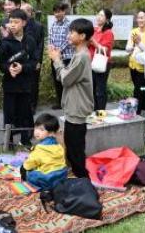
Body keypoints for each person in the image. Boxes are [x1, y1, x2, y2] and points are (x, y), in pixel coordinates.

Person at [48, 18, 94, 178]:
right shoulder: (79, 54)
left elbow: (66, 79)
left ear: (82, 36)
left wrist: (56, 60)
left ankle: (83, 180)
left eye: (72, 32)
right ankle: (79, 176)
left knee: (75, 149)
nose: (69, 35)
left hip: (77, 108)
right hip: (74, 107)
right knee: (73, 146)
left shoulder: (81, 56)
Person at [0, 9, 37, 147]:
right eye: (11, 22)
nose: (13, 25)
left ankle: (25, 140)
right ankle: (8, 142)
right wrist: (9, 69)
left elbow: (34, 62)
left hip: (26, 84)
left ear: (24, 23)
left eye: (16, 22)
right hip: (10, 85)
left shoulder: (30, 41)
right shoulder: (5, 42)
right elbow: (0, 63)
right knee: (9, 115)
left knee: (25, 114)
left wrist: (23, 68)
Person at [20, 113, 68, 190]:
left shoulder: (40, 148)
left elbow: (30, 163)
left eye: (42, 130)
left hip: (48, 180)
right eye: (36, 128)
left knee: (26, 171)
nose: (37, 132)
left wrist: (24, 168)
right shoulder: (58, 145)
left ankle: (37, 186)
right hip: (61, 176)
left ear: (51, 133)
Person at [126, 10, 145, 114]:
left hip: (144, 67)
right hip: (133, 65)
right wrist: (130, 47)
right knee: (139, 89)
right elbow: (128, 47)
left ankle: (136, 112)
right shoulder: (133, 31)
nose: (139, 20)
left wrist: (139, 43)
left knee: (138, 90)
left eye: (142, 17)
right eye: (138, 17)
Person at [88, 9, 114, 111]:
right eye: (98, 14)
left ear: (107, 19)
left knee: (100, 90)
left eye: (102, 15)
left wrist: (92, 41)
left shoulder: (108, 33)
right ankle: (94, 111)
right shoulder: (94, 30)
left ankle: (101, 112)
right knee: (93, 89)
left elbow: (105, 50)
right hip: (91, 63)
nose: (98, 17)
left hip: (102, 64)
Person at [49, 2, 73, 110]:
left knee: (66, 80)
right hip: (55, 57)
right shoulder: (53, 24)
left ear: (64, 11)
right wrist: (51, 48)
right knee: (57, 80)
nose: (57, 14)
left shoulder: (69, 24)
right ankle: (60, 102)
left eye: (59, 11)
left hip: (66, 57)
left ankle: (68, 103)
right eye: (55, 12)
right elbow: (50, 38)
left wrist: (59, 50)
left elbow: (69, 40)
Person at [21, 2, 45, 114]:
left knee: (33, 83)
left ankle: (32, 106)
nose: (22, 13)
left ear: (30, 12)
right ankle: (23, 105)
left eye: (24, 11)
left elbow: (40, 46)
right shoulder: (20, 24)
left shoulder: (38, 26)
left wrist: (38, 61)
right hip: (21, 59)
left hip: (34, 59)